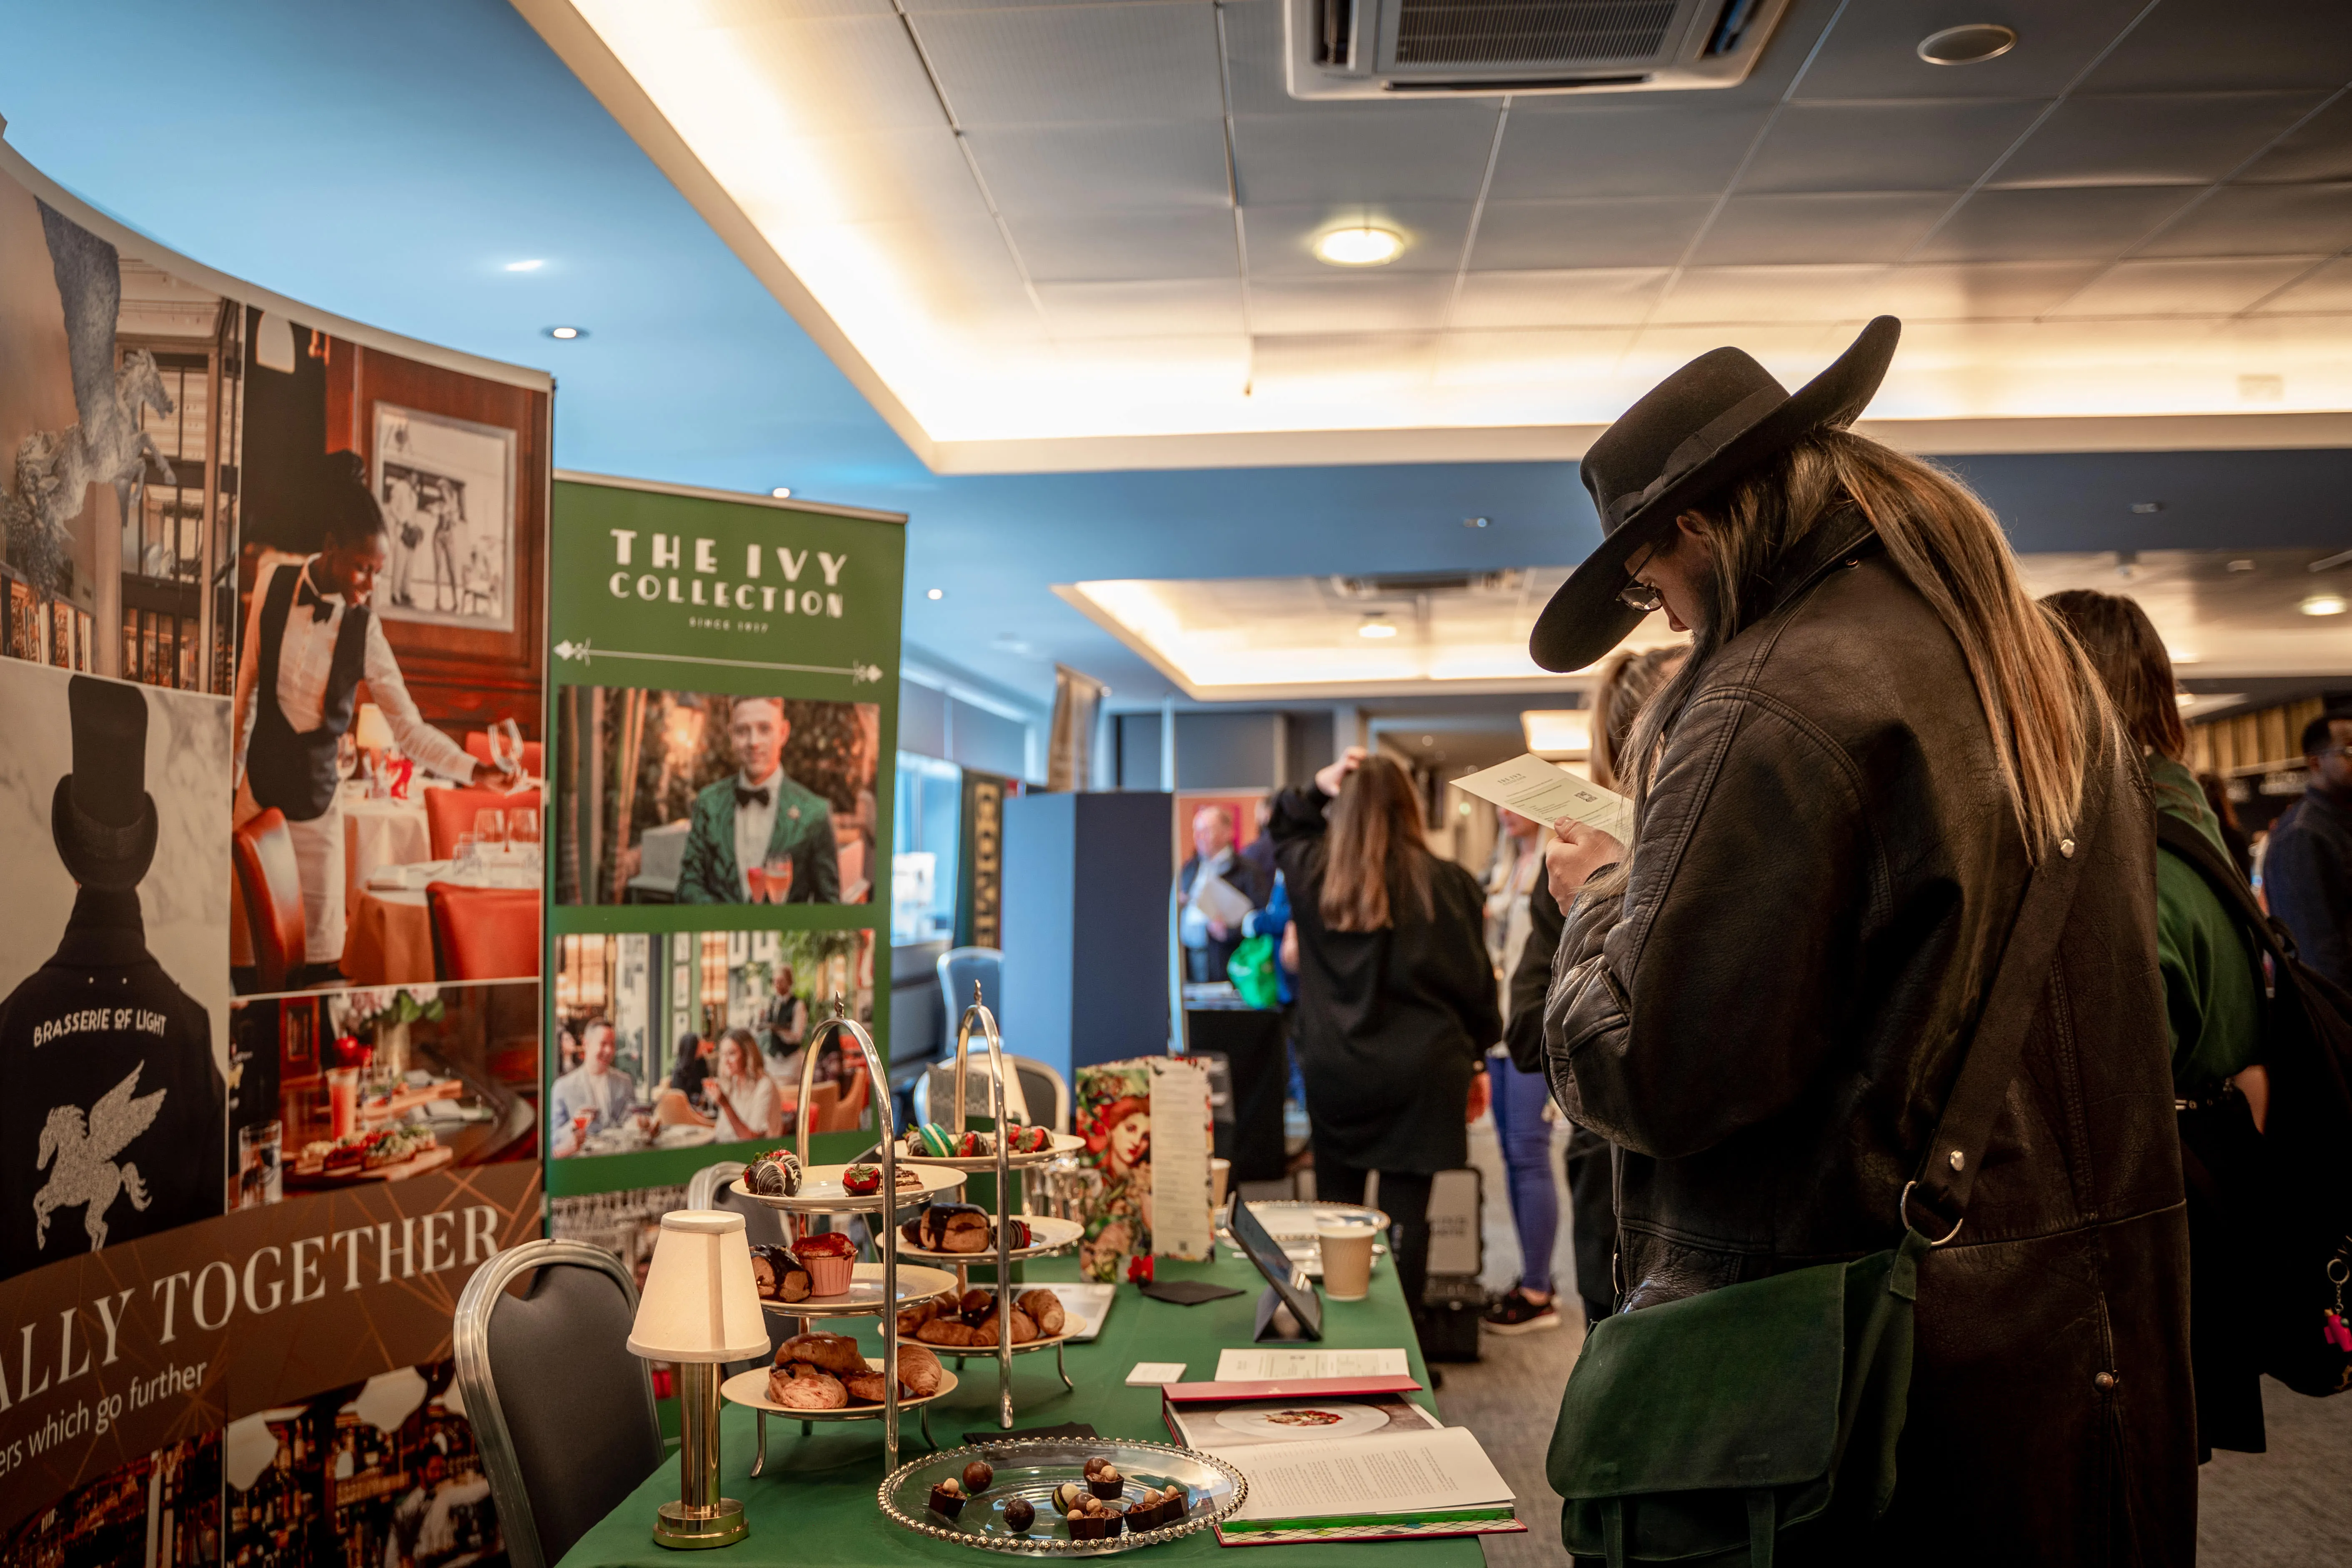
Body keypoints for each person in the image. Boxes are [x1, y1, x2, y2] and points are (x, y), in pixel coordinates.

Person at [1533, 318, 2192, 1559]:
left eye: (1644, 580)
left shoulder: (1771, 696)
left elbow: (1655, 1073)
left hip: (1856, 1378)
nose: (1662, 619)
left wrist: (1600, 902)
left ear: (1691, 528)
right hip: (2067, 1342)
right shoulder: (2030, 663)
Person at [2044, 587, 2269, 1458]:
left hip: (2146, 1188)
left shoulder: (2122, 845)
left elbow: (2106, 1052)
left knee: (2117, 1470)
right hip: (2209, 1164)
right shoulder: (2188, 819)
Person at [232, 452, 516, 972]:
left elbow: (409, 727)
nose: (370, 584)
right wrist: (227, 785)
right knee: (246, 958)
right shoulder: (272, 582)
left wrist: (476, 772)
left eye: (379, 572)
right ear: (332, 546)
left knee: (316, 962)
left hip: (318, 816)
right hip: (255, 796)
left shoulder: (367, 632)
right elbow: (247, 689)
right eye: (363, 567)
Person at [1, 677, 224, 1280]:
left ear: (69, 861)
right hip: (160, 1354)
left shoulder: (13, 1021)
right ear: (142, 863)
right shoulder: (190, 1026)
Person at [1272, 750, 1500, 1330]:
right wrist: (1479, 1051)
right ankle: (1404, 1336)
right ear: (1410, 808)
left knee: (1338, 1208)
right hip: (1423, 1072)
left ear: (1340, 811)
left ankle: (1341, 1325)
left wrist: (1320, 784)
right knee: (1407, 1217)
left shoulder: (1314, 875)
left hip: (1335, 1069)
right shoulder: (1449, 883)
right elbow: (1476, 985)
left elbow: (1283, 822)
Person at [1499, 645, 1685, 1330]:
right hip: (1614, 1193)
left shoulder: (1736, 853)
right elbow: (1528, 1034)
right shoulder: (1581, 872)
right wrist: (1595, 900)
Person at [1478, 807, 1560, 1333]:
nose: (1507, 814)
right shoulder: (1504, 865)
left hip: (1533, 1026)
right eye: (1500, 807)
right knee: (1510, 1153)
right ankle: (1533, 1278)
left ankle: (1539, 1292)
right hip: (1498, 1027)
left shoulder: (1558, 863)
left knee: (1530, 1153)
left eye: (1516, 805)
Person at [676, 696, 839, 904]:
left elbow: (829, 909)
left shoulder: (814, 813)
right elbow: (688, 886)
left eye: (764, 729)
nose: (754, 742)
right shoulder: (708, 803)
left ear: (783, 732)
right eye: (742, 731)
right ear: (731, 735)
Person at [2254, 712, 2352, 992]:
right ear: (2315, 762)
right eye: (2348, 750)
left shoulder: (2338, 821)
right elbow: (2316, 952)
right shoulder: (2302, 834)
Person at [1178, 805, 1267, 982]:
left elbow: (1262, 917)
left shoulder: (1248, 871)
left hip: (1229, 964)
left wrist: (1230, 932)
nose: (1199, 836)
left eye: (1206, 830)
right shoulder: (1190, 868)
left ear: (1227, 833)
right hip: (1192, 964)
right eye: (1196, 830)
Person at [550, 1019, 634, 1158]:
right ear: (586, 1044)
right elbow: (553, 1140)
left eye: (613, 1045)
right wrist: (575, 1124)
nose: (609, 1051)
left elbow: (631, 1123)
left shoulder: (625, 1082)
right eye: (603, 1044)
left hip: (620, 1162)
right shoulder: (563, 1087)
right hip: (582, 1165)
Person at [709, 1029, 781, 1142]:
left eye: (732, 1053)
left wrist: (726, 1104)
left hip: (757, 1156)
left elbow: (751, 1140)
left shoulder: (765, 1085)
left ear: (748, 1055)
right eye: (723, 1054)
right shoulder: (733, 1081)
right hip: (729, 1151)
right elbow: (721, 1133)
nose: (726, 1061)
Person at [667, 1030, 714, 1103]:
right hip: (687, 1108)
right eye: (699, 1044)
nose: (702, 1044)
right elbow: (681, 1096)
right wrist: (698, 1099)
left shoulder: (701, 1062)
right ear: (692, 1048)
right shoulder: (679, 1072)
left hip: (703, 1105)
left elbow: (707, 1081)